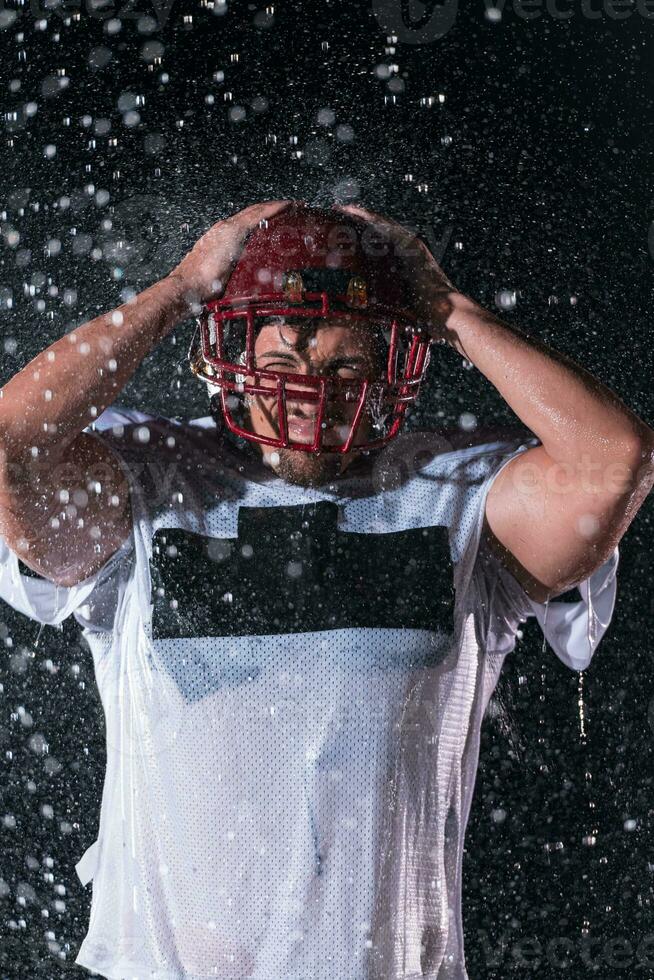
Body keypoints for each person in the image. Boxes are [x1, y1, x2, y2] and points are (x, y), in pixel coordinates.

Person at [0, 200, 651, 979]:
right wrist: (178, 290)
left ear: (391, 369)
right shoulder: (153, 484)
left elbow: (613, 460)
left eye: (345, 367)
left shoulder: (457, 494)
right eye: (282, 368)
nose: (310, 394)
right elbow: (12, 444)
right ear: (229, 359)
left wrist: (452, 312)